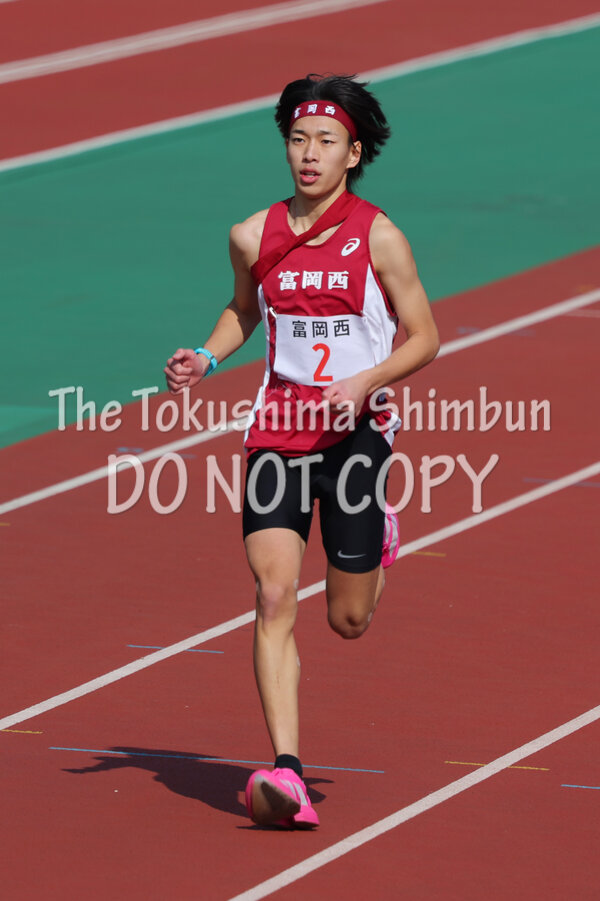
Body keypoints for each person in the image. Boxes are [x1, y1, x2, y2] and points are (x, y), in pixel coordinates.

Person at [164, 73, 439, 829]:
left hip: (356, 436)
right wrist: (206, 356)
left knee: (347, 620)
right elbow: (242, 309)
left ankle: (378, 533)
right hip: (277, 435)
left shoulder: (379, 236)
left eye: (326, 141)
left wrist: (367, 380)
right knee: (273, 595)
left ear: (354, 154)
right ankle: (286, 767)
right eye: (298, 139)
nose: (309, 154)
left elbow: (426, 337)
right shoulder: (252, 235)